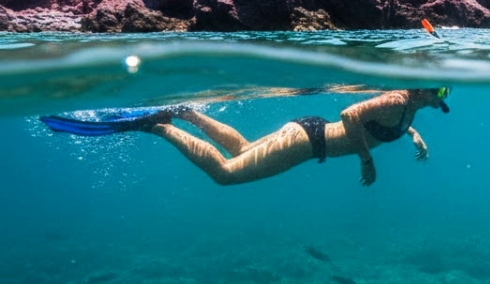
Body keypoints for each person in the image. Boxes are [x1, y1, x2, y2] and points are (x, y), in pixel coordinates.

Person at [41, 88, 451, 186]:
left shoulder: (412, 107)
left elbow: (387, 125)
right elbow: (350, 114)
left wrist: (414, 135)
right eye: (442, 92)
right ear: (425, 86)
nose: (443, 99)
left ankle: (186, 112)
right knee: (226, 173)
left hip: (304, 134)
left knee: (239, 149)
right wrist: (366, 159)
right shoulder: (399, 96)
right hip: (310, 142)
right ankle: (159, 125)